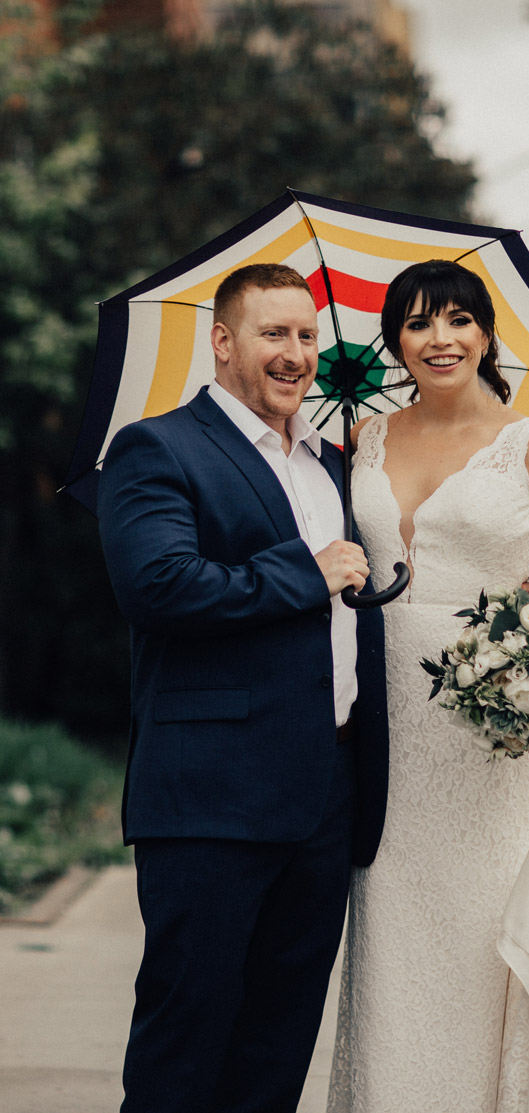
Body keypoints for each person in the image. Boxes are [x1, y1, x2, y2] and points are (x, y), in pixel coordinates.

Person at [327, 259, 529, 1112]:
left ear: (485, 334)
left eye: (457, 319)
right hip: (383, 722)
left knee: (485, 926)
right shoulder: (365, 439)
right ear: (395, 341)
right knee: (392, 924)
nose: (439, 338)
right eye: (417, 323)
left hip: (489, 733)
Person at [97, 262, 389, 1113]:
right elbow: (158, 586)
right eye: (273, 334)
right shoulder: (157, 447)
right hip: (210, 796)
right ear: (222, 341)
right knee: (185, 1038)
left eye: (306, 335)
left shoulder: (333, 463)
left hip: (325, 793)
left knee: (277, 1042)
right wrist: (306, 570)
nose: (295, 353)